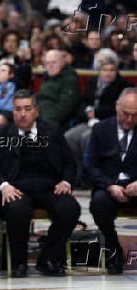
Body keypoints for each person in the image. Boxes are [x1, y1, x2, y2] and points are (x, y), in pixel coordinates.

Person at [0, 89, 80, 277]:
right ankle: (19, 263)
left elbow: (70, 162)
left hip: (50, 187)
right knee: (17, 210)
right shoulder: (1, 133)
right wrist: (4, 186)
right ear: (13, 112)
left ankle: (48, 258)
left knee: (70, 208)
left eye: (27, 108)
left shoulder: (52, 130)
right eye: (18, 109)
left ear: (36, 111)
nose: (22, 114)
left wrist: (66, 182)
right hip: (16, 188)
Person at [85, 88, 137, 275]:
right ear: (117, 106)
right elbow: (90, 165)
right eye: (125, 114)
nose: (130, 120)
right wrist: (109, 185)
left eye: (135, 115)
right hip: (108, 187)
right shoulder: (100, 129)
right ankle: (114, 250)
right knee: (98, 203)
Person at [65, 53, 133, 179]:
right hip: (88, 120)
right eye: (105, 70)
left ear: (116, 71)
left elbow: (118, 108)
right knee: (69, 137)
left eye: (111, 70)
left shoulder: (123, 85)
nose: (108, 73)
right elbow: (82, 101)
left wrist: (97, 112)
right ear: (99, 71)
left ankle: (89, 176)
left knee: (86, 138)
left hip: (108, 122)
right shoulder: (92, 82)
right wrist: (87, 111)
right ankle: (76, 176)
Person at [38, 49, 81, 128]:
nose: (50, 66)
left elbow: (65, 109)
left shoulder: (70, 80)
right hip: (40, 117)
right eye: (47, 63)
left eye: (54, 62)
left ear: (62, 63)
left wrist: (43, 121)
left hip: (55, 123)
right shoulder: (47, 77)